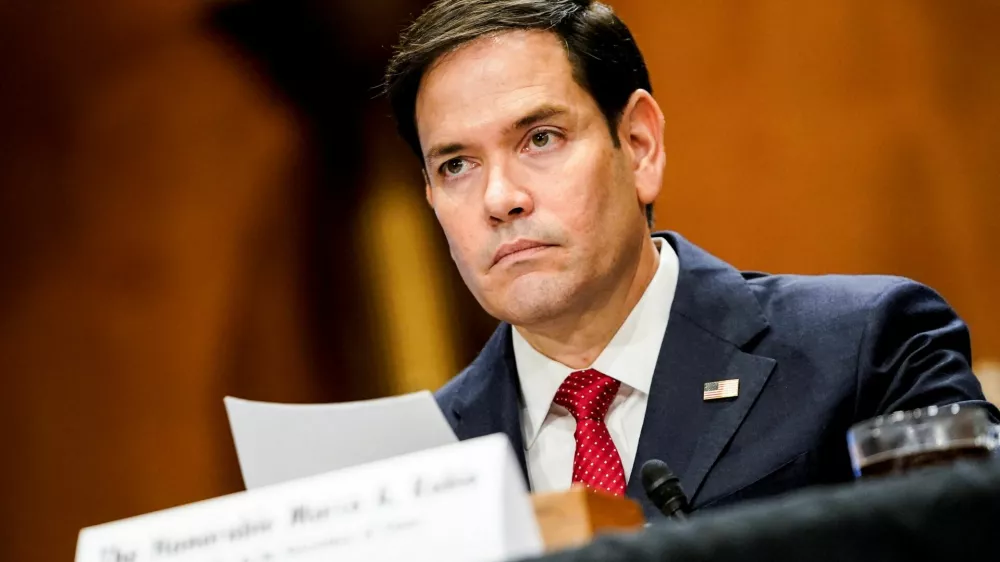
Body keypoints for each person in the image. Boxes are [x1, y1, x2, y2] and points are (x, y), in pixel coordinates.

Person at [383, 0, 998, 517]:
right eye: (456, 165)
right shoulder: (419, 462)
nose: (500, 199)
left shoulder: (868, 348)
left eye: (540, 139)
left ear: (639, 145)